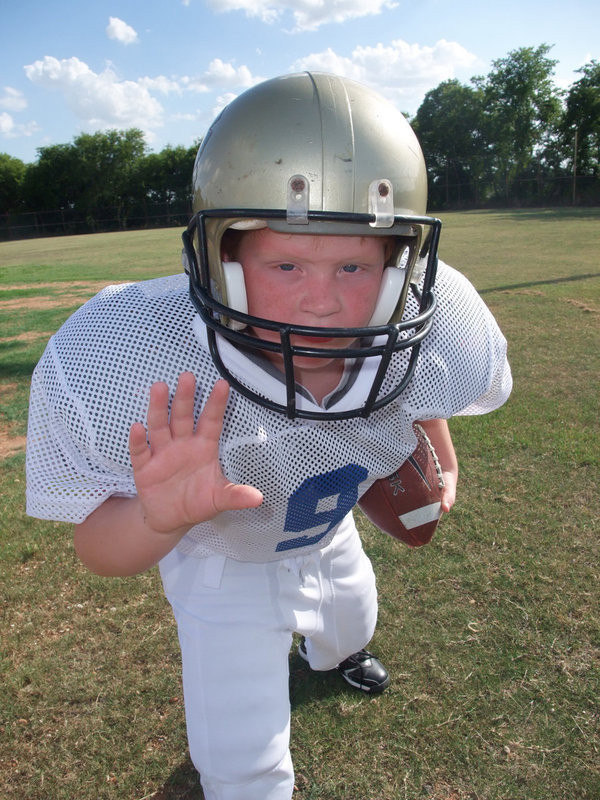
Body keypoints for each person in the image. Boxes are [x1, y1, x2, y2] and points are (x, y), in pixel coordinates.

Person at [26, 72, 511, 800]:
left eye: (352, 265)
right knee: (240, 753)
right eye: (286, 265)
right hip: (218, 553)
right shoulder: (129, 355)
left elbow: (414, 387)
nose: (322, 298)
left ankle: (335, 657)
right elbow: (98, 550)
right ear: (224, 261)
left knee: (351, 623)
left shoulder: (434, 330)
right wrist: (159, 516)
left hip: (327, 526)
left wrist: (442, 457)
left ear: (396, 265)